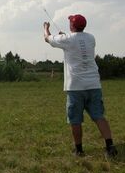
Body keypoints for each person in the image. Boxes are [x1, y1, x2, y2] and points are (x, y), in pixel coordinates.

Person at [43, 15, 118, 158]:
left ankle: (79, 150)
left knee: (75, 120)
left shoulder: (67, 39)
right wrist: (64, 38)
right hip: (94, 85)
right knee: (99, 116)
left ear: (72, 25)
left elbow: (47, 38)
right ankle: (110, 146)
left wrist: (46, 28)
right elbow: (78, 44)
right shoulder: (91, 38)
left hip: (75, 87)